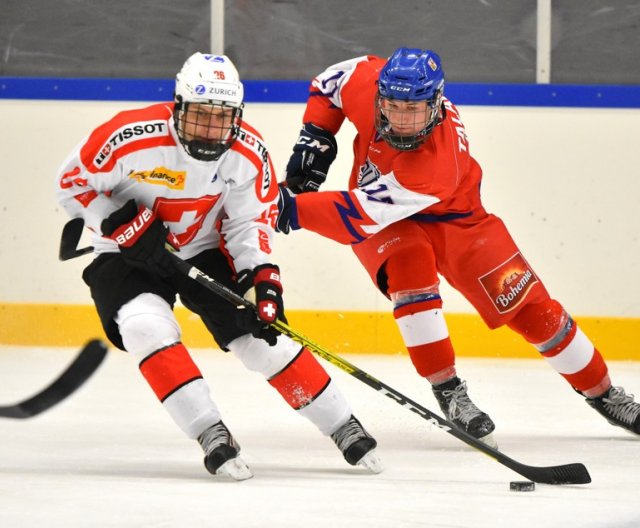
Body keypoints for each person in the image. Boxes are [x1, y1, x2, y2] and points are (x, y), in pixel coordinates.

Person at [276, 47, 640, 444]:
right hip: (390, 221)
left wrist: (290, 208)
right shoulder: (373, 86)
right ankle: (449, 392)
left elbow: (358, 214)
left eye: (412, 109)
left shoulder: (435, 165)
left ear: (436, 105)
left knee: (533, 311)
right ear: (381, 97)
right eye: (393, 106)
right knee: (410, 272)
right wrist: (316, 135)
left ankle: (604, 395)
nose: (400, 119)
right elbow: (332, 81)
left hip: (456, 219)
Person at [55, 52, 382, 480]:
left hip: (206, 247)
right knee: (143, 326)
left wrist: (262, 276)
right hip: (126, 251)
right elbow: (71, 185)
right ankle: (209, 430)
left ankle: (341, 423)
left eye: (222, 118)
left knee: (262, 337)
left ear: (238, 115)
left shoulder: (248, 151)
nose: (211, 130)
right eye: (200, 116)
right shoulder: (127, 135)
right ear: (178, 106)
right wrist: (115, 221)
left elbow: (250, 221)